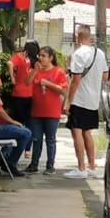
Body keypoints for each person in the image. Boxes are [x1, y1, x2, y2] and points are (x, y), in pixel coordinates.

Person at [64, 24, 109, 179]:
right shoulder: (100, 54)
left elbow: (75, 80)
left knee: (76, 132)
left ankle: (81, 168)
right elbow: (105, 77)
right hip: (93, 100)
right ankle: (91, 166)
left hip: (80, 99)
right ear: (90, 37)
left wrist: (68, 102)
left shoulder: (78, 55)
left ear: (77, 37)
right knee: (87, 132)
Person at [26, 47, 68, 175]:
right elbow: (27, 82)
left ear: (51, 58)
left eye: (44, 56)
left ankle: (50, 166)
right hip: (37, 111)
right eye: (40, 56)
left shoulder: (58, 72)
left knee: (50, 139)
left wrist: (48, 84)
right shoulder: (36, 70)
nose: (41, 58)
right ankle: (34, 164)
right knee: (36, 139)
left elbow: (63, 90)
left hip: (51, 111)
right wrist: (35, 71)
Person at [7, 40, 39, 126]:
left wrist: (12, 77)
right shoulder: (36, 59)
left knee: (18, 121)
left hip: (18, 93)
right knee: (30, 120)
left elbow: (9, 63)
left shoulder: (19, 56)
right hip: (31, 94)